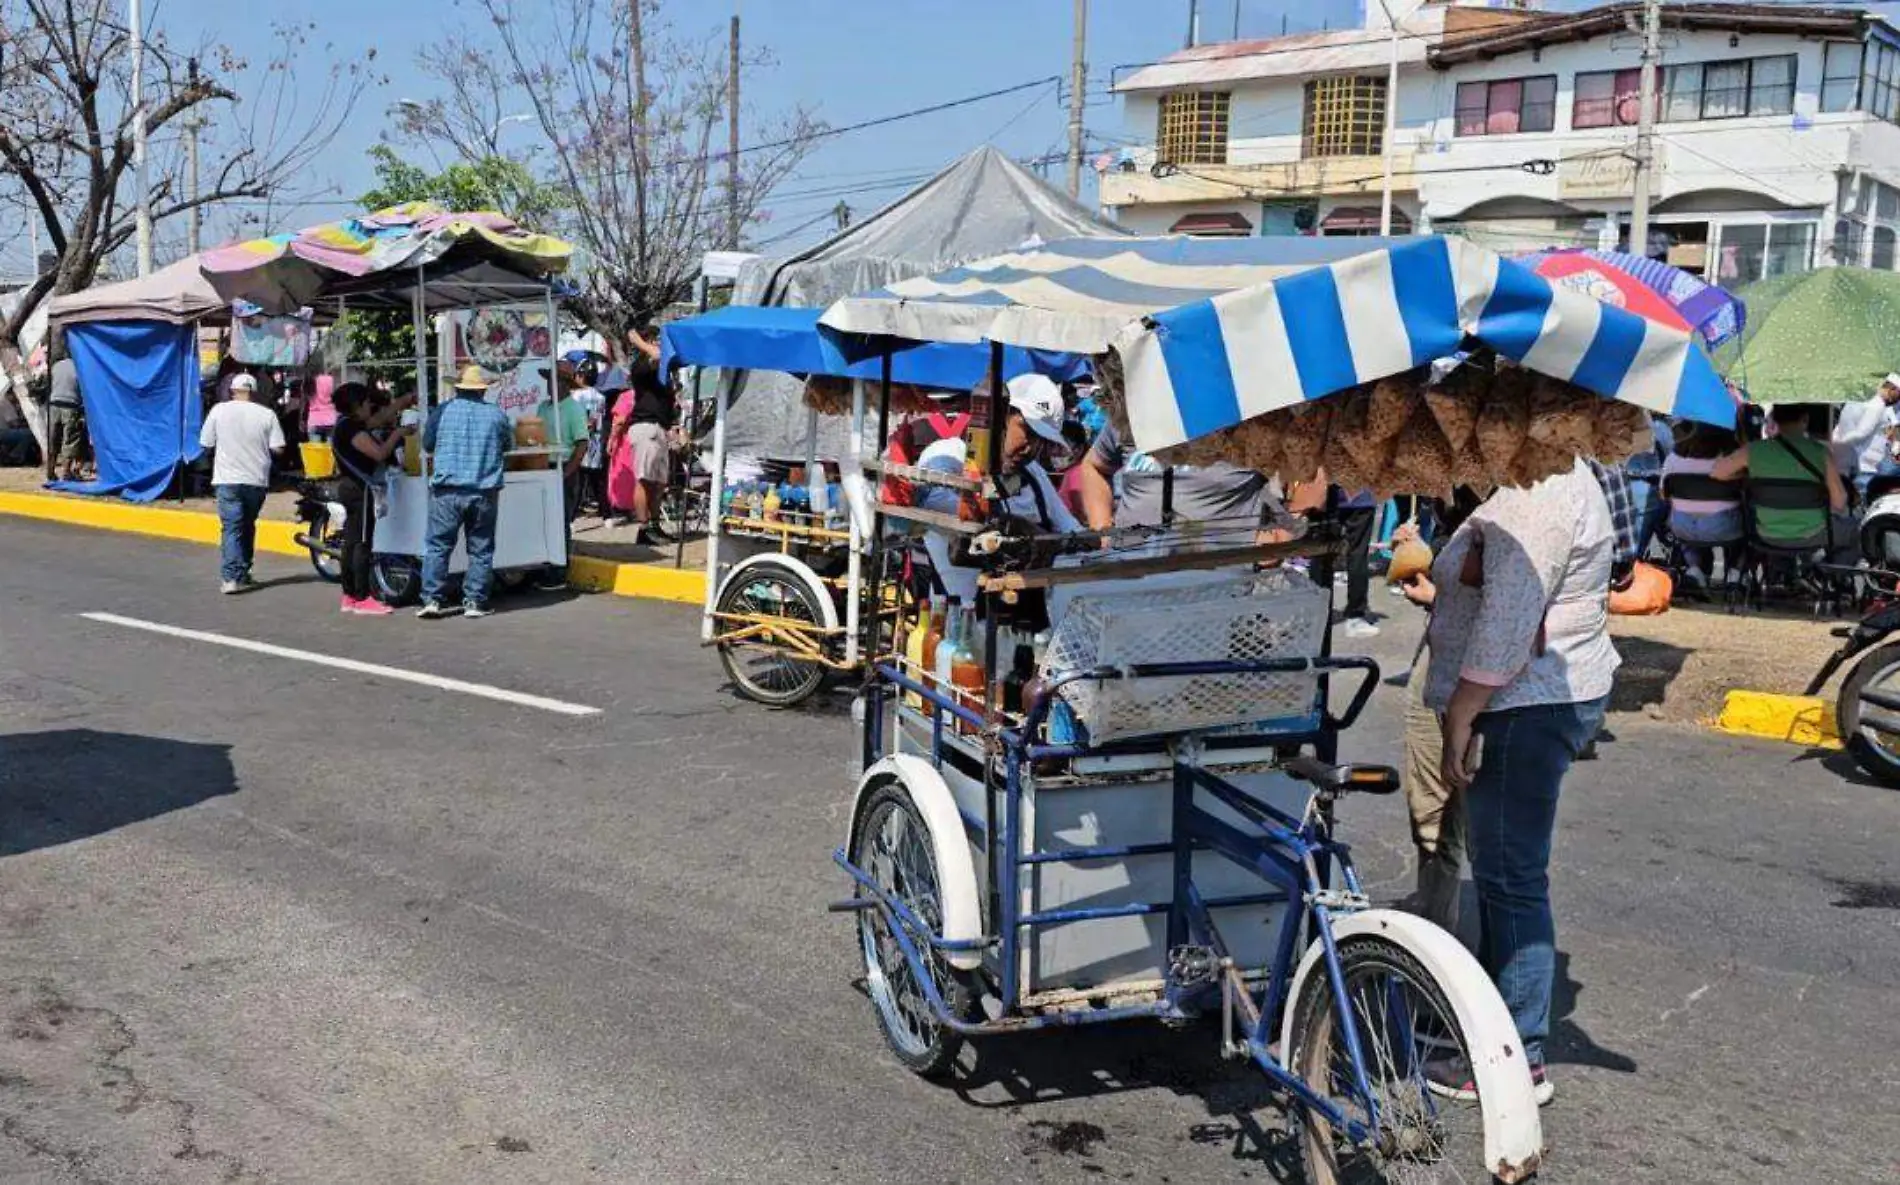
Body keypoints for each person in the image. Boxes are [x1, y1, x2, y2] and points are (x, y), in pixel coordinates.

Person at [1412, 459, 1618, 1106]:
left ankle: (1516, 1056)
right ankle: (1499, 1030)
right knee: (1504, 871)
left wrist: (1462, 715)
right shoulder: (1539, 484)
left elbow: (1509, 616)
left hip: (1523, 703)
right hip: (1529, 696)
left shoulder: (1542, 490)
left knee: (1510, 876)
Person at [914, 374, 1081, 603]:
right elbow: (934, 498)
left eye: (1040, 439)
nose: (1030, 448)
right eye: (1027, 431)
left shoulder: (1033, 474)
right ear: (1002, 415)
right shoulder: (948, 454)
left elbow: (1071, 531)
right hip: (962, 622)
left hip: (1029, 624)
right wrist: (1007, 526)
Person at [418, 365, 513, 619]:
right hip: (483, 491)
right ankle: (474, 601)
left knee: (438, 546)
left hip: (447, 490)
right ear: (483, 390)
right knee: (480, 549)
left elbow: (427, 444)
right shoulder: (496, 415)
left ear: (458, 388)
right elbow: (508, 445)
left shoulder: (442, 412)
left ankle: (432, 600)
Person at [1713, 402, 1850, 556]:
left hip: (1764, 534)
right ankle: (1831, 571)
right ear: (1805, 419)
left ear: (1774, 419)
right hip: (1814, 534)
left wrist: (1747, 474)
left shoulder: (1754, 450)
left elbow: (1717, 472)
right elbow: (1839, 501)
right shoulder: (1820, 453)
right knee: (1856, 530)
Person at [330, 382, 412, 615]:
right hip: (359, 490)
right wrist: (398, 433)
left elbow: (378, 420)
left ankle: (350, 595)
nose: (370, 407)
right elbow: (379, 453)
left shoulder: (347, 424)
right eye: (367, 403)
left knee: (352, 541)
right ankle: (363, 597)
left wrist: (402, 402)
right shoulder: (351, 430)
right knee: (362, 544)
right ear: (357, 405)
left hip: (350, 488)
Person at [198, 373, 284, 594]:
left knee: (232, 527)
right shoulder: (267, 414)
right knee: (247, 525)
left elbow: (205, 442)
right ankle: (243, 572)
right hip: (256, 479)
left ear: (232, 391)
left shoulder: (218, 410)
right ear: (253, 392)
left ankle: (231, 578)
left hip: (227, 478)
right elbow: (278, 447)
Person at [606, 327, 675, 543]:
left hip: (660, 427)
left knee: (659, 482)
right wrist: (638, 341)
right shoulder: (643, 365)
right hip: (646, 426)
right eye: (656, 340)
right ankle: (644, 528)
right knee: (645, 479)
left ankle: (654, 524)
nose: (660, 345)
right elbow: (655, 355)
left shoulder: (660, 368)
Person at [1660, 422, 1744, 589]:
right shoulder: (1732, 461)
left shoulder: (1673, 458)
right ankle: (1735, 573)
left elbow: (1663, 495)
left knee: (1686, 513)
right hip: (1724, 528)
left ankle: (1694, 569)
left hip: (1682, 529)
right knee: (1748, 524)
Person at [534, 362, 592, 590]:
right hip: (543, 466)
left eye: (555, 381)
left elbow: (582, 444)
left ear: (565, 384)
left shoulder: (574, 408)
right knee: (545, 520)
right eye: (549, 381)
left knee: (560, 520)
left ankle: (559, 571)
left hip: (564, 466)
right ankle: (546, 565)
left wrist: (568, 472)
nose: (550, 385)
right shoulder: (543, 407)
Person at [1830, 373, 1900, 497]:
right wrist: (1841, 446)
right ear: (1893, 389)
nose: (1898, 400)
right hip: (1865, 465)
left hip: (1847, 463)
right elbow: (1861, 433)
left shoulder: (1856, 400)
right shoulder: (1877, 405)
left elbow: (1839, 428)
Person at [46, 344, 86, 481]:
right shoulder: (80, 368)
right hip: (71, 405)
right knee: (70, 439)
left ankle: (50, 471)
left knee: (53, 439)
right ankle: (66, 472)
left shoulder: (56, 366)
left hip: (54, 404)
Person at [305, 373, 338, 443]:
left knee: (316, 452)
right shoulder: (330, 379)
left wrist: (301, 419)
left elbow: (304, 401)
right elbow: (336, 397)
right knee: (331, 451)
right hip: (331, 419)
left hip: (314, 420)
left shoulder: (309, 380)